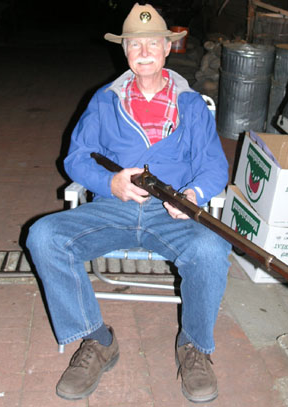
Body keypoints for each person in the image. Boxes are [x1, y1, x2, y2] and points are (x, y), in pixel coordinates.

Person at [26, 3, 231, 403]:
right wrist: (110, 181)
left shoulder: (192, 106)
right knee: (43, 235)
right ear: (125, 51)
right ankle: (97, 340)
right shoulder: (104, 101)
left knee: (211, 248)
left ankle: (194, 346)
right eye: (135, 44)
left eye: (152, 42)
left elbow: (214, 167)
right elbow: (75, 158)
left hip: (170, 213)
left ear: (168, 48)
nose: (144, 51)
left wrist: (192, 196)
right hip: (112, 208)